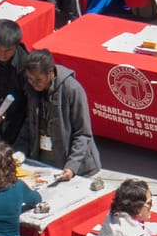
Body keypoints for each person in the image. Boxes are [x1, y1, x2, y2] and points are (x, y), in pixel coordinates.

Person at [7, 49, 100, 181]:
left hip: (75, 166)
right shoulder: (31, 88)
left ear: (50, 73)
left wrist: (71, 167)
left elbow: (83, 133)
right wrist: (18, 151)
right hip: (44, 159)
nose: (33, 83)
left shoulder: (72, 89)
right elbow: (29, 123)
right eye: (29, 79)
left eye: (38, 79)